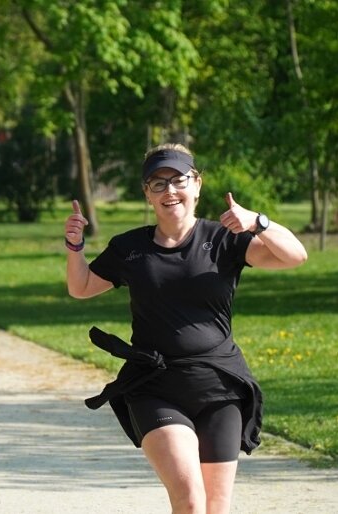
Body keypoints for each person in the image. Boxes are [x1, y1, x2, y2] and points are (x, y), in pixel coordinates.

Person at [64, 143, 308, 514]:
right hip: (155, 387)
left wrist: (258, 222)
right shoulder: (130, 248)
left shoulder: (225, 239)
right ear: (147, 193)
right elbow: (80, 287)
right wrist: (74, 246)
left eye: (178, 180)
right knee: (190, 500)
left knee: (216, 506)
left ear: (197, 185)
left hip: (220, 386)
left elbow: (295, 256)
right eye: (157, 184)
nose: (169, 192)